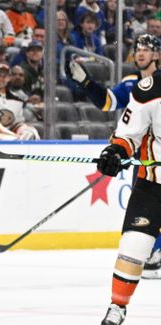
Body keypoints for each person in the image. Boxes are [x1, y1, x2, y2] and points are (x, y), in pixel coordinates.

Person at [69, 34, 161, 278]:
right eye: (137, 49)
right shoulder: (131, 84)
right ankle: (154, 252)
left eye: (146, 49)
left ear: (157, 55)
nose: (140, 53)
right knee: (145, 206)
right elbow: (108, 103)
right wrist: (87, 83)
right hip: (139, 155)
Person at [96, 67, 161, 325]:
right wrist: (115, 151)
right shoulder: (149, 89)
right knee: (134, 245)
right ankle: (117, 306)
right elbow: (128, 133)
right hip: (153, 183)